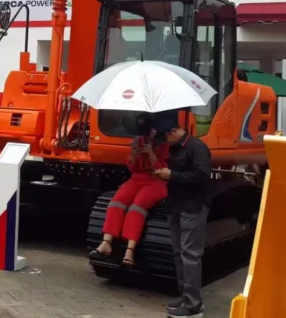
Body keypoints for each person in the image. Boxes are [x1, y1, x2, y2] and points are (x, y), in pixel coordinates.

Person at [89, 113, 171, 267]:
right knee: (116, 202)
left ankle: (130, 250)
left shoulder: (164, 145)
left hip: (156, 181)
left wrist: (151, 153)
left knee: (137, 206)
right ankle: (106, 242)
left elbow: (163, 171)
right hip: (136, 178)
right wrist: (133, 155)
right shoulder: (138, 141)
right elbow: (132, 168)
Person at [152, 114, 212, 318]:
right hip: (176, 205)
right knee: (179, 253)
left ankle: (194, 305)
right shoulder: (176, 148)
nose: (165, 142)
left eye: (165, 138)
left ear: (173, 132)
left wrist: (172, 175)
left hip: (193, 206)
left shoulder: (197, 147)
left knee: (190, 255)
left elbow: (202, 176)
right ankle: (185, 296)